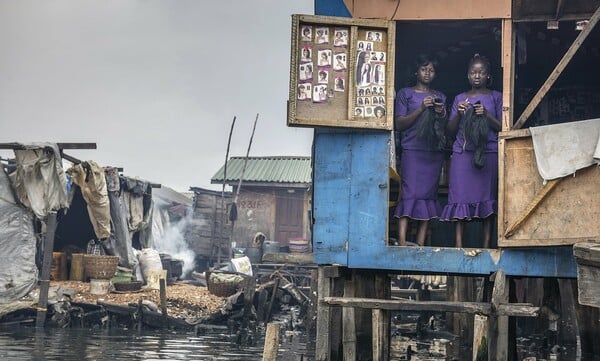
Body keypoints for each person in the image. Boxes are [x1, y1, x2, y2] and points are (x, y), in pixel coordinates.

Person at [440, 54, 502, 248]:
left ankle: (485, 246)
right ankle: (459, 245)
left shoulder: (496, 97)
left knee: (487, 199)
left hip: (488, 153)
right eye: (473, 72)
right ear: (467, 75)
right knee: (460, 197)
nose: (477, 76)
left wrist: (487, 114)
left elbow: (503, 127)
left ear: (488, 76)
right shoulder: (460, 98)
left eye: (481, 72)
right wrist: (458, 113)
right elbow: (449, 131)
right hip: (462, 154)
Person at [393, 55, 447, 246]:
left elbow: (444, 128)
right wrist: (421, 109)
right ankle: (402, 242)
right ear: (416, 71)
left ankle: (420, 243)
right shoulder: (405, 93)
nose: (427, 73)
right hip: (412, 150)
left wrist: (441, 113)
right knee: (409, 194)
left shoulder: (440, 96)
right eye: (424, 69)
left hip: (432, 153)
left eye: (431, 70)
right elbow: (400, 124)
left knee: (427, 196)